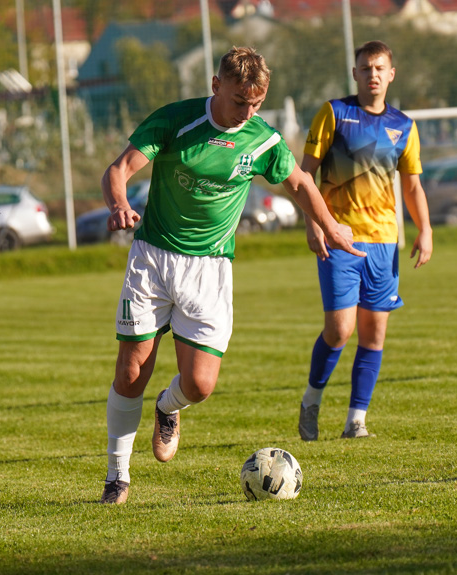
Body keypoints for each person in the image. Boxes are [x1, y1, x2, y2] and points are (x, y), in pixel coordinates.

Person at [99, 46, 364, 504]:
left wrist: (329, 224)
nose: (248, 111)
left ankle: (168, 407)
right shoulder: (175, 121)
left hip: (211, 269)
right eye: (240, 101)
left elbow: (300, 182)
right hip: (153, 258)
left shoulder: (261, 138)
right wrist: (120, 205)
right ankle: (116, 478)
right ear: (216, 85)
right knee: (130, 372)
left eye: (257, 103)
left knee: (200, 385)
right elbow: (119, 170)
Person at [297, 40, 433, 441]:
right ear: (354, 74)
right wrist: (312, 223)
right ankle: (311, 400)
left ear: (391, 74)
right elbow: (304, 177)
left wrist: (424, 229)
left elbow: (412, 187)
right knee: (340, 331)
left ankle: (356, 419)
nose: (372, 74)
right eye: (365, 68)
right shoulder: (335, 114)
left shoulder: (404, 126)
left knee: (374, 334)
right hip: (339, 237)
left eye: (379, 68)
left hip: (384, 243)